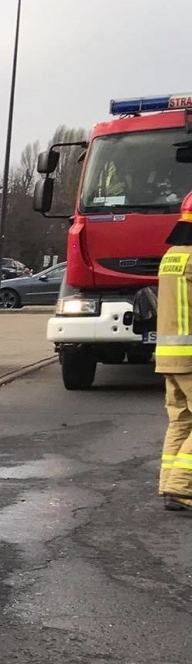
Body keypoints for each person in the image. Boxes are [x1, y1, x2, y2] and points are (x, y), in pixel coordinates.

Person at [154, 192, 192, 512]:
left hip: (169, 354)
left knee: (181, 420)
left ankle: (169, 485)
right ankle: (182, 486)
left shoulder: (172, 256)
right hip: (190, 356)